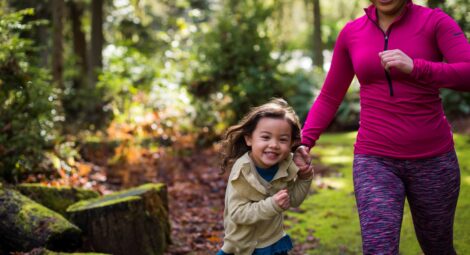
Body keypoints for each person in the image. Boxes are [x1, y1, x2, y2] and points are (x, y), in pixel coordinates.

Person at [294, 0, 470, 254]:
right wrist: (305, 141)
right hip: (374, 159)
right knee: (379, 249)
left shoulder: (435, 22)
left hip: (434, 159)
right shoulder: (352, 33)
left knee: (438, 247)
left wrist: (416, 67)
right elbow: (330, 96)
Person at [216, 98, 314, 255]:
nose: (274, 145)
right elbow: (237, 214)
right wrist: (272, 205)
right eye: (266, 137)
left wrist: (305, 176)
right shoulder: (243, 171)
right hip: (243, 245)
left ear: (290, 143)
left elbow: (294, 200)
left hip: (272, 241)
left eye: (282, 139)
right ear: (249, 139)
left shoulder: (286, 164)